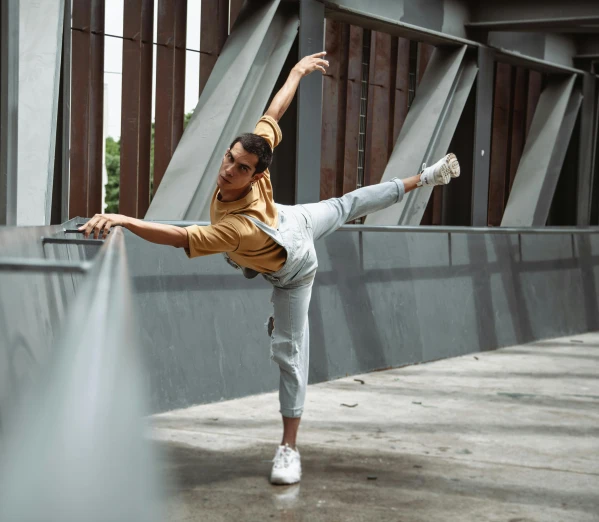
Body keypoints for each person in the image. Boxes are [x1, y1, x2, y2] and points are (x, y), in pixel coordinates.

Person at [78, 51, 460, 485]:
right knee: (347, 203)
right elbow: (273, 111)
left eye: (241, 169)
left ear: (257, 177)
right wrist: (296, 71)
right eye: (228, 159)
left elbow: (179, 237)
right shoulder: (253, 152)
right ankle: (422, 178)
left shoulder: (240, 227)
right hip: (292, 219)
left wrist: (124, 219)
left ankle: (288, 449)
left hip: (293, 269)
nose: (228, 171)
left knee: (290, 356)